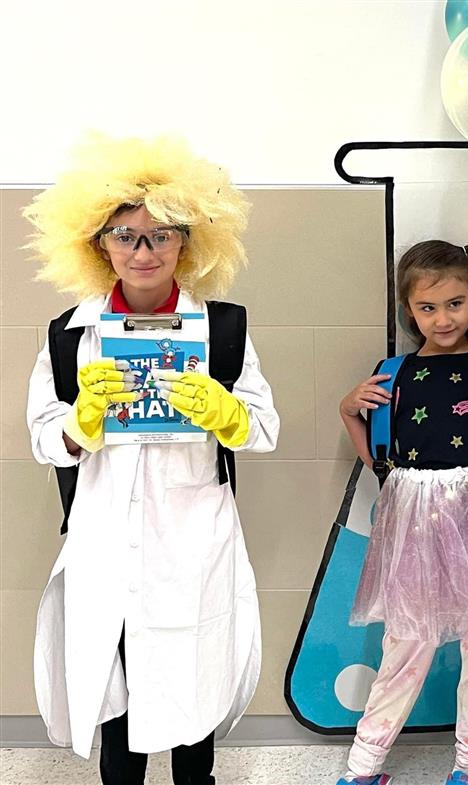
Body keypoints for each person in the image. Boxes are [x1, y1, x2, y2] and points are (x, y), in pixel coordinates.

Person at [24, 134, 279, 785]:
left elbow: (264, 429)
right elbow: (43, 436)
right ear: (98, 243)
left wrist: (226, 411)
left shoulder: (220, 331)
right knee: (120, 702)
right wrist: (81, 424)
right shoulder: (69, 336)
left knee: (193, 693)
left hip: (194, 544)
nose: (144, 251)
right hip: (105, 544)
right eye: (126, 236)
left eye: (161, 235)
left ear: (187, 243)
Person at [336, 240, 468, 785]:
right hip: (412, 522)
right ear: (408, 308)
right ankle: (364, 766)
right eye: (427, 307)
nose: (442, 319)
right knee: (405, 642)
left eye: (455, 304)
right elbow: (378, 460)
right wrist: (347, 410)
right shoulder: (392, 373)